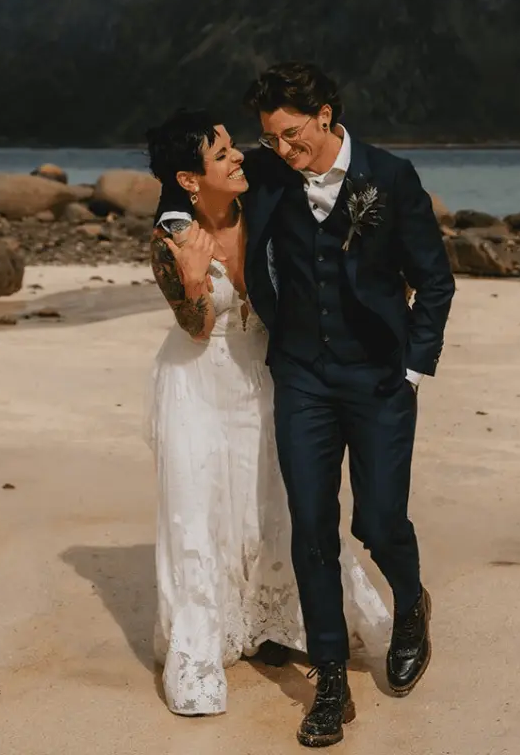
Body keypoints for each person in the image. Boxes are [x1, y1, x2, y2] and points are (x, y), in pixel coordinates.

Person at [154, 63, 456, 747]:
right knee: (311, 528)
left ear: (324, 114)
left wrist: (412, 368)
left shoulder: (391, 177)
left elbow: (435, 281)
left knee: (378, 521)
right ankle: (330, 681)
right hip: (300, 379)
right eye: (270, 139)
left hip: (380, 376)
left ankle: (410, 604)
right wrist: (175, 228)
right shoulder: (268, 173)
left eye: (292, 136)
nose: (282, 152)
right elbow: (189, 188)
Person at [141, 108, 392, 720]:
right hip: (197, 383)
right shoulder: (171, 238)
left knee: (275, 497)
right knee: (201, 506)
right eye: (220, 152)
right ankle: (204, 641)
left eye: (231, 145)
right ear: (189, 178)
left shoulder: (262, 203)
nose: (237, 157)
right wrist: (197, 283)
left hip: (266, 375)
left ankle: (277, 622)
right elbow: (197, 330)